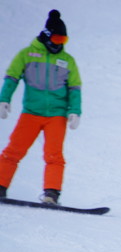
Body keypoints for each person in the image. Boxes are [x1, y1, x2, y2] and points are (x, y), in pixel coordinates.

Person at [0, 10, 82, 204]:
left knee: (54, 155)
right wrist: (4, 99)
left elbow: (75, 88)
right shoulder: (27, 55)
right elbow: (12, 77)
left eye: (64, 39)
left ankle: (51, 195)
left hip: (56, 115)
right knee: (13, 151)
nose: (60, 43)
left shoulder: (67, 61)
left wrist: (75, 111)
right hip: (31, 113)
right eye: (57, 37)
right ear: (47, 36)